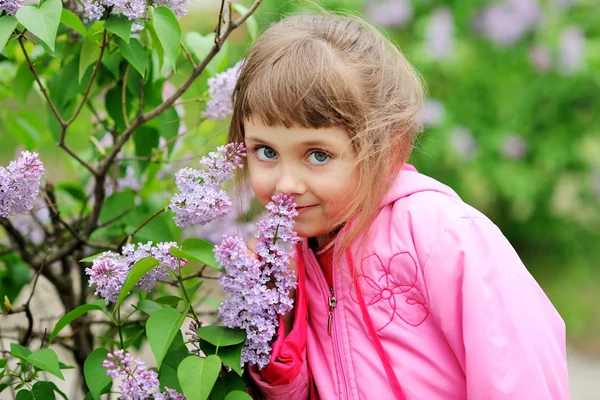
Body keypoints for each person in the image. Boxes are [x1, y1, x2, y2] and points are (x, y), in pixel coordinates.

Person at [226, 12, 570, 400]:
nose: (287, 184)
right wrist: (278, 319)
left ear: (387, 149)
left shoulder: (440, 234)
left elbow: (519, 376)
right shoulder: (289, 255)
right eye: (266, 151)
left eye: (318, 155)